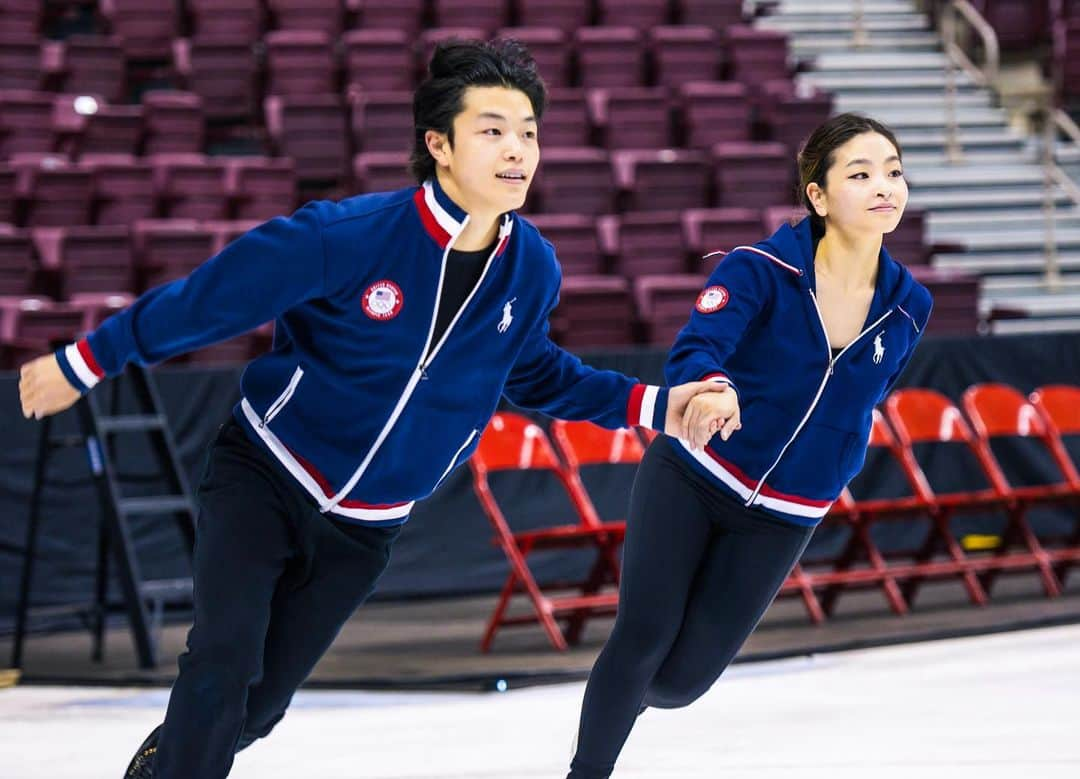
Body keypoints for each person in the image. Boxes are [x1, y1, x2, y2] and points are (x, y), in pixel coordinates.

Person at [17, 39, 728, 779]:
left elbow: (535, 372)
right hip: (266, 473)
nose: (517, 149)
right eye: (492, 130)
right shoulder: (350, 235)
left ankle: (166, 761)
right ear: (439, 145)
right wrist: (86, 360)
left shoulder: (532, 266)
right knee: (220, 664)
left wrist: (657, 405)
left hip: (367, 527)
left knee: (257, 708)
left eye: (529, 131)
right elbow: (211, 299)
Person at [567, 113, 934, 779]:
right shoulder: (759, 268)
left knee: (679, 683)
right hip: (694, 474)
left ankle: (623, 690)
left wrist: (835, 453)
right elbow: (699, 346)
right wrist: (709, 387)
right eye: (860, 173)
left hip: (788, 510)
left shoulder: (910, 305)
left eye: (893, 170)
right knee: (642, 637)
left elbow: (863, 395)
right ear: (818, 196)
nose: (884, 185)